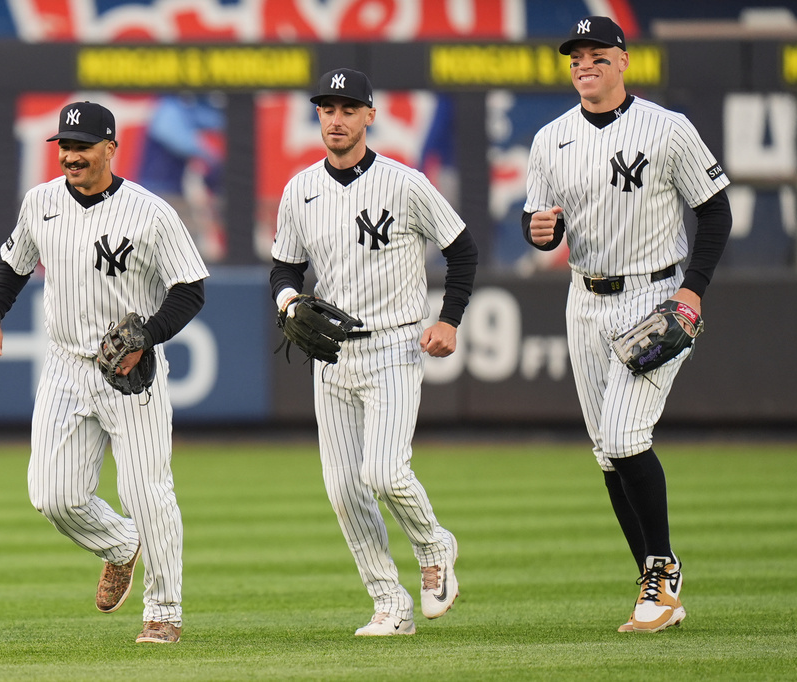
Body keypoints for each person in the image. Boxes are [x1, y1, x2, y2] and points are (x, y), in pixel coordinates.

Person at [0, 101, 209, 644]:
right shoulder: (41, 202)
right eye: (64, 146)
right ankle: (122, 545)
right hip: (66, 365)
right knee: (51, 495)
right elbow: (13, 264)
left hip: (132, 371)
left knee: (149, 492)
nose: (71, 156)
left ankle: (164, 612)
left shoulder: (151, 212)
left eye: (81, 146)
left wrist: (145, 336)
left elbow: (190, 289)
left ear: (110, 148)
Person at [522, 17, 732, 633]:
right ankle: (653, 580)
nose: (585, 63)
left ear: (624, 60)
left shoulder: (668, 128)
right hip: (584, 297)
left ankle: (662, 570)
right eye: (576, 55)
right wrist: (542, 232)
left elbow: (716, 212)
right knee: (607, 454)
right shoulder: (549, 139)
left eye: (597, 53)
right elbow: (542, 224)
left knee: (622, 438)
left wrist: (692, 291)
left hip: (656, 295)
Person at [270, 68, 478, 636]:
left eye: (347, 109)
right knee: (343, 490)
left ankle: (435, 545)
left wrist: (450, 319)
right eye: (326, 109)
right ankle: (390, 602)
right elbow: (285, 265)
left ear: (369, 115)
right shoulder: (300, 188)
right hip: (330, 353)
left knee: (384, 471)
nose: (335, 119)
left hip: (392, 342)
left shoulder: (404, 183)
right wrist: (288, 300)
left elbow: (462, 250)